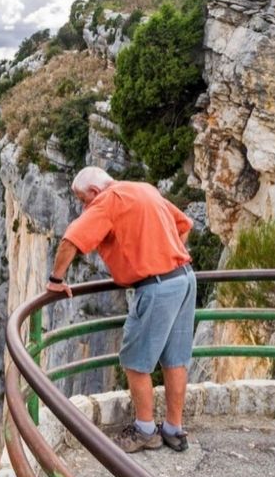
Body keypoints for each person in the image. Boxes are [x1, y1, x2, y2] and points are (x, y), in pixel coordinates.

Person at [46, 166, 195, 453]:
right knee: (175, 359)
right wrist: (162, 252)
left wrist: (55, 281)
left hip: (156, 286)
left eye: (83, 200)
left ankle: (145, 430)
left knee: (135, 361)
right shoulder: (143, 189)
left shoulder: (108, 199)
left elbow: (70, 240)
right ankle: (174, 430)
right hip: (184, 278)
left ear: (94, 191)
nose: (84, 207)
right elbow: (184, 225)